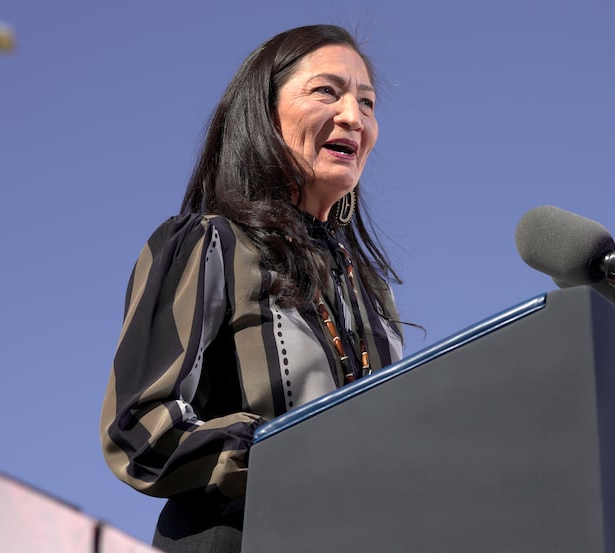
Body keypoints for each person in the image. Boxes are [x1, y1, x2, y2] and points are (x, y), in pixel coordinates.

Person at [100, 24, 404, 553]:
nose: (354, 118)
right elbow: (139, 428)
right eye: (326, 92)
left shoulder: (372, 291)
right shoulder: (207, 243)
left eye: (367, 103)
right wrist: (284, 450)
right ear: (263, 113)